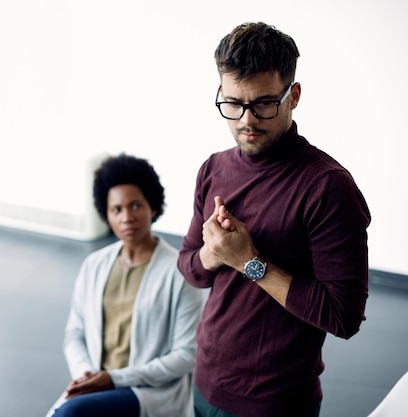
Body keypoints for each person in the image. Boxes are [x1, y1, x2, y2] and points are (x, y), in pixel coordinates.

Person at [177, 22, 371, 417]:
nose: (246, 120)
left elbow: (343, 315)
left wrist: (249, 262)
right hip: (205, 382)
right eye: (232, 103)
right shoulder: (213, 169)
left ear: (293, 95)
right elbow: (190, 268)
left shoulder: (327, 188)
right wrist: (214, 255)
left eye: (263, 103)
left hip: (274, 403)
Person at [46, 153, 205, 417]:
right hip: (97, 383)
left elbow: (186, 355)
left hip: (149, 391)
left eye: (135, 206)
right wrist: (88, 375)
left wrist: (114, 379)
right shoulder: (94, 265)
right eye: (116, 209)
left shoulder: (179, 272)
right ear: (106, 214)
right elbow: (74, 334)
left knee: (69, 414)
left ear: (153, 207)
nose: (126, 217)